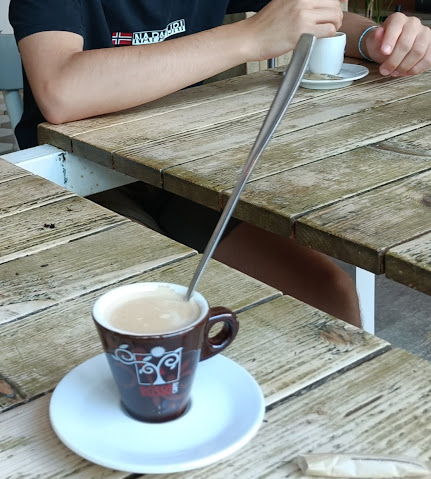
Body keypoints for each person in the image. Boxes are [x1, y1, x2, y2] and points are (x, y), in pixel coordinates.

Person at [9, 0, 431, 328]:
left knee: (327, 291)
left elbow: (316, 13)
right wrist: (250, 36)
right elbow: (62, 90)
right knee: (154, 313)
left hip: (178, 171)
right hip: (71, 184)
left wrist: (375, 40)